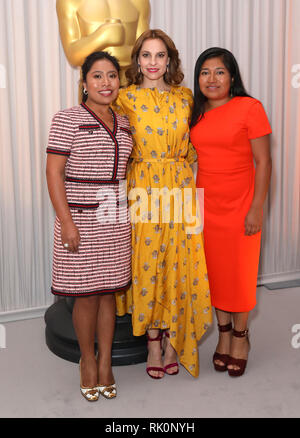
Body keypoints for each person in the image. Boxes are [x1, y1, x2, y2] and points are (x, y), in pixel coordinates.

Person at [113, 29, 212, 379]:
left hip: (182, 187)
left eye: (159, 55)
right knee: (148, 261)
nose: (152, 63)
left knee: (180, 261)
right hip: (142, 188)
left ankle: (175, 337)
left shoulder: (187, 98)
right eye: (146, 55)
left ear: (169, 60)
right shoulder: (122, 98)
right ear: (137, 60)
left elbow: (200, 145)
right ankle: (153, 341)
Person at [46, 51, 133, 400]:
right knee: (85, 296)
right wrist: (66, 222)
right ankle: (87, 361)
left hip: (114, 218)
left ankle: (106, 362)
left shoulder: (125, 122)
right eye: (97, 76)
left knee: (109, 293)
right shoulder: (67, 119)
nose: (106, 83)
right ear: (84, 83)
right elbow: (54, 172)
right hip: (79, 218)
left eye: (112, 76)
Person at [190, 47, 272, 377]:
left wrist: (256, 208)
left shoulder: (250, 108)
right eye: (205, 72)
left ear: (232, 76)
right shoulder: (195, 113)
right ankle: (223, 335)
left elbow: (264, 162)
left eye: (219, 71)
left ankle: (241, 336)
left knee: (240, 274)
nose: (212, 78)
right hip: (206, 204)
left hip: (241, 205)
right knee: (215, 274)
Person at [56, 0, 150, 84]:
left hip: (132, 86)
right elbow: (73, 56)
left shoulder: (140, 2)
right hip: (94, 89)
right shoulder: (69, 2)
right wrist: (102, 37)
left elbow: (146, 53)